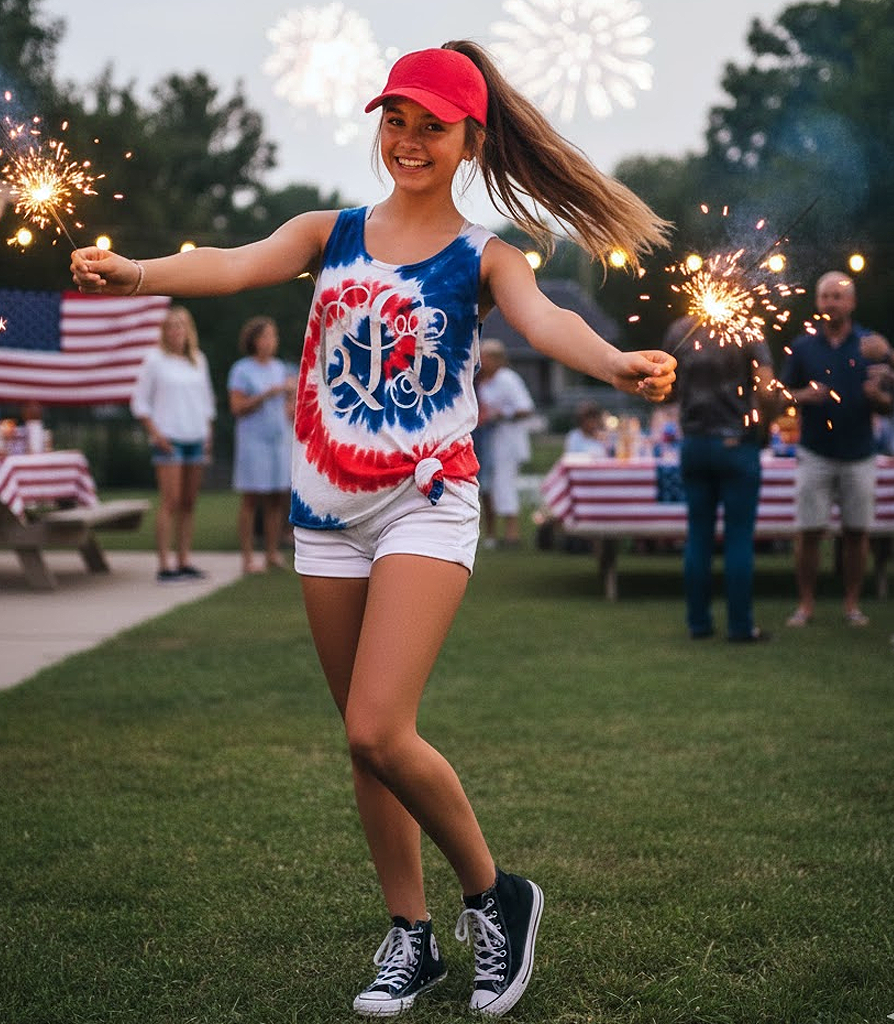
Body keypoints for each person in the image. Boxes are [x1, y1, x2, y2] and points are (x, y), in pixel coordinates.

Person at [71, 41, 676, 1018]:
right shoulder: (331, 229)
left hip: (425, 502)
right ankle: (412, 935)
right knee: (362, 746)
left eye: (430, 125)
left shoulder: (485, 253)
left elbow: (541, 322)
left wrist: (610, 361)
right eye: (394, 119)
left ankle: (497, 896)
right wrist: (138, 271)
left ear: (468, 140)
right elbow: (232, 263)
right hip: (326, 509)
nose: (406, 140)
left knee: (375, 722)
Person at [780, 271, 893, 628]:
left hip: (860, 452)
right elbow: (780, 396)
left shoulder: (871, 345)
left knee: (856, 532)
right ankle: (807, 605)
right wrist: (803, 396)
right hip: (814, 452)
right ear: (817, 302)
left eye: (837, 296)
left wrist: (879, 398)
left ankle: (851, 604)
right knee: (809, 531)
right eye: (825, 296)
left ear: (852, 302)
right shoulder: (802, 347)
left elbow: (889, 404)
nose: (831, 302)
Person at [668, 315, 779, 642]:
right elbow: (767, 385)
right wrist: (764, 427)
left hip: (694, 443)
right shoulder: (747, 328)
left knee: (698, 536)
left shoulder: (680, 329)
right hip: (736, 445)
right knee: (739, 538)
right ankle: (740, 626)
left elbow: (668, 387)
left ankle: (698, 624)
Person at [130, 305, 216, 583]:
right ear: (165, 332)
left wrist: (208, 433)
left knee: (189, 503)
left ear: (188, 330)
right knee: (171, 501)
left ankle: (184, 559)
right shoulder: (154, 360)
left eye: (181, 326)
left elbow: (207, 401)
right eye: (172, 327)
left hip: (195, 438)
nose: (177, 331)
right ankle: (165, 564)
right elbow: (139, 403)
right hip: (169, 439)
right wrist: (156, 434)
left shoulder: (197, 360)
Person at [228, 317, 295, 574]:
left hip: (278, 440)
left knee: (276, 499)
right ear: (255, 341)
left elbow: (287, 405)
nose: (271, 341)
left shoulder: (280, 368)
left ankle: (272, 552)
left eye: (274, 336)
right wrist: (267, 394)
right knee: (251, 499)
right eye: (266, 336)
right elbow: (237, 407)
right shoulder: (242, 370)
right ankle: (247, 557)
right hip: (253, 442)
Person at [475, 337, 535, 547]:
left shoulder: (508, 379)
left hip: (508, 440)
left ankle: (512, 533)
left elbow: (525, 408)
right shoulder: (482, 381)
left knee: (505, 484)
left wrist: (502, 415)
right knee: (489, 486)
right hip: (490, 440)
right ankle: (493, 533)